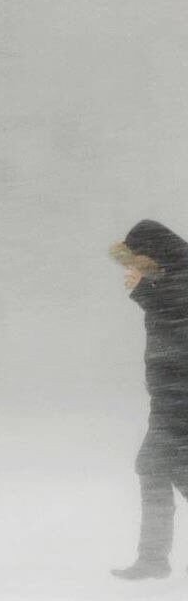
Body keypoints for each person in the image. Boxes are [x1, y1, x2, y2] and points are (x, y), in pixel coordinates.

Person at [110, 220, 188, 580]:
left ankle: (153, 558)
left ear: (154, 253)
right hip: (169, 398)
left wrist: (142, 289)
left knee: (160, 466)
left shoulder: (181, 278)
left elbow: (176, 316)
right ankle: (153, 558)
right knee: (155, 467)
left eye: (136, 260)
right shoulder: (169, 279)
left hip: (181, 398)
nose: (131, 269)